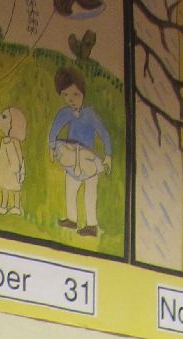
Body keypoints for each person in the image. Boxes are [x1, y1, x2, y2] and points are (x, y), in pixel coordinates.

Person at [48, 65, 111, 236]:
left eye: (76, 94)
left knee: (90, 193)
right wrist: (52, 147)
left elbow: (103, 132)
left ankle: (91, 225)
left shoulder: (89, 114)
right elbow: (54, 129)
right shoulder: (65, 113)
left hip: (88, 159)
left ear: (83, 93)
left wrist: (108, 154)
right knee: (70, 189)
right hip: (72, 155)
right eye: (66, 95)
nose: (71, 99)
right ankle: (72, 219)